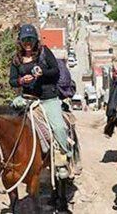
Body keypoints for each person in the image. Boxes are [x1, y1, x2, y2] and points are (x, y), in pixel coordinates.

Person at [9, 24, 71, 158]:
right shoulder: (16, 59)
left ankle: (65, 155)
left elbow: (55, 70)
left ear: (36, 40)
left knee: (58, 128)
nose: (28, 43)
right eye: (25, 40)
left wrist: (43, 73)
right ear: (20, 41)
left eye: (31, 40)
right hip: (28, 98)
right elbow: (12, 81)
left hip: (48, 98)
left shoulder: (44, 52)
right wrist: (21, 81)